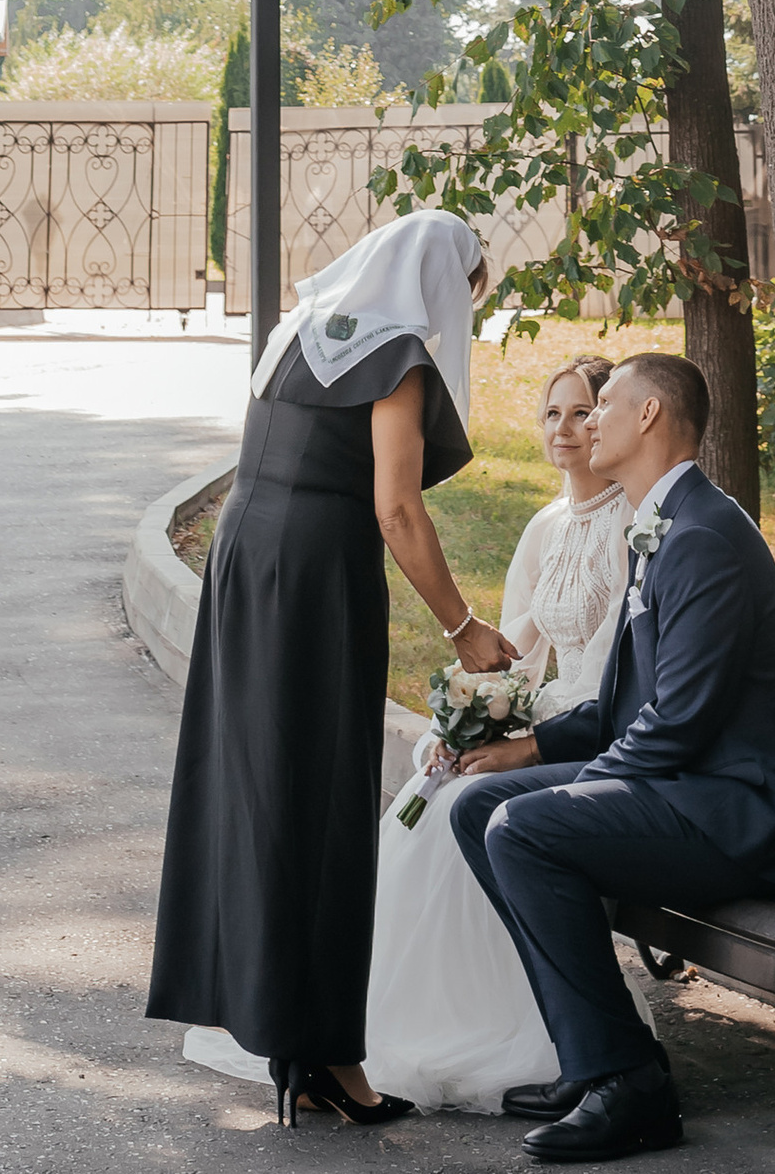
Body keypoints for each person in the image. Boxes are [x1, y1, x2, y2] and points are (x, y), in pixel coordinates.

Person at [149, 209, 518, 1126]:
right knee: (325, 805)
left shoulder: (294, 332)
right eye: (460, 293)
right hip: (317, 572)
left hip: (246, 559)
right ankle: (327, 1058)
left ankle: (287, 1033)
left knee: (254, 787)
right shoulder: (393, 359)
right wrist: (465, 628)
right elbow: (398, 512)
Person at [448, 350, 775, 1164]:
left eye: (604, 405)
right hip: (687, 788)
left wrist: (571, 791)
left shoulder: (703, 537)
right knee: (481, 805)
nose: (587, 421)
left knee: (522, 828)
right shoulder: (658, 524)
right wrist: (528, 748)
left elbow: (680, 721)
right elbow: (629, 701)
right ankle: (590, 1057)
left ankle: (628, 1081)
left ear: (650, 416)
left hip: (738, 812)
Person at [359, 357, 634, 1110]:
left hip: (593, 733)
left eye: (582, 413)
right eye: (553, 414)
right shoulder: (547, 525)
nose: (566, 428)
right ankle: (407, 1015)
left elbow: (611, 679)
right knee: (434, 782)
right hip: (547, 719)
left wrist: (519, 734)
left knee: (467, 805)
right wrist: (470, 712)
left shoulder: (631, 529)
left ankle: (514, 1024)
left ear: (610, 422)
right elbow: (510, 649)